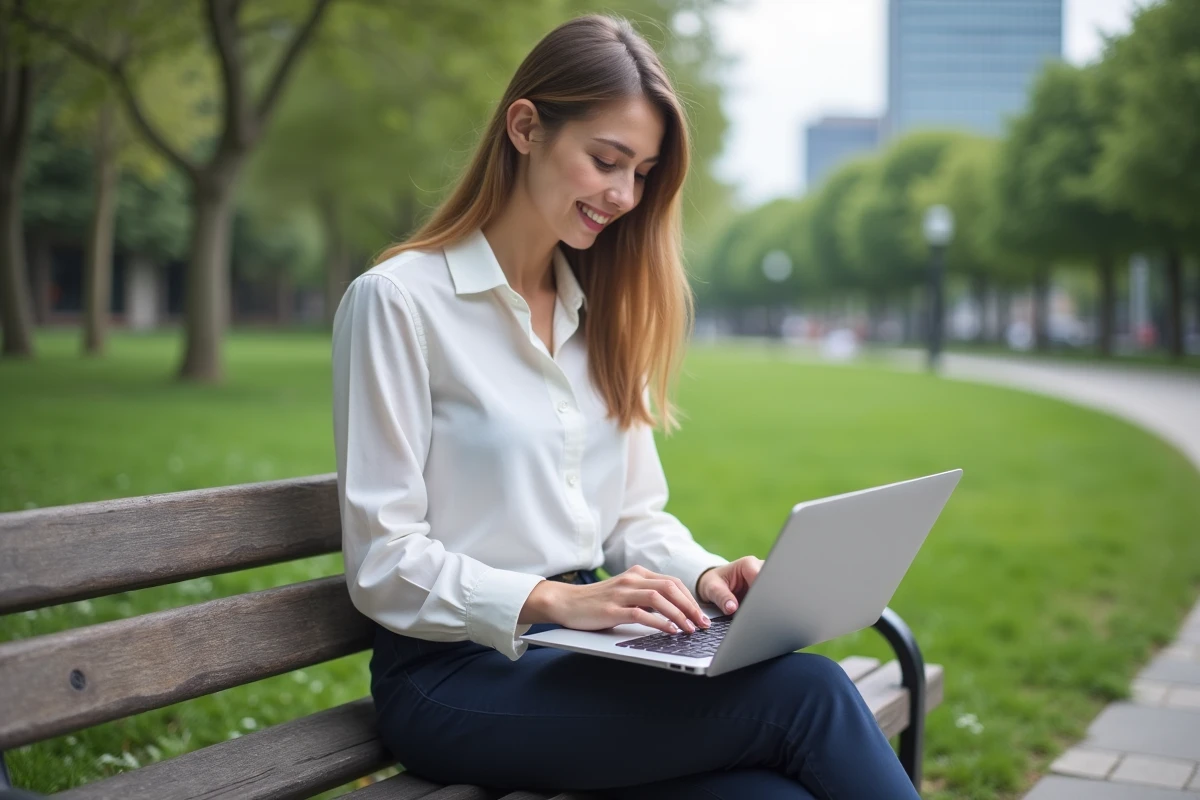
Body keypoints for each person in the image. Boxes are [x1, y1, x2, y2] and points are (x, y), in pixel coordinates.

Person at [331, 14, 921, 800]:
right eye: (606, 161)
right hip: (454, 679)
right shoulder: (400, 303)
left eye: (641, 172)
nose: (623, 195)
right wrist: (553, 599)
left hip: (583, 656)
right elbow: (382, 560)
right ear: (525, 126)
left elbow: (633, 521)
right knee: (806, 696)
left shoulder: (599, 313)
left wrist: (708, 578)